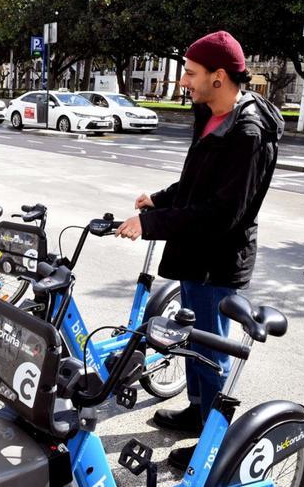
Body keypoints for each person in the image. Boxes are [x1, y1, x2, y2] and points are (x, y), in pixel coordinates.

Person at [114, 31, 283, 471]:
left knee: (211, 355)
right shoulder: (209, 113)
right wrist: (161, 199)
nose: (183, 82)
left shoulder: (248, 133)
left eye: (190, 73)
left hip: (216, 262)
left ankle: (216, 446)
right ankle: (196, 410)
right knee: (195, 346)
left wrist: (150, 224)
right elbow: (196, 184)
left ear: (219, 76)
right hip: (194, 256)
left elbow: (221, 214)